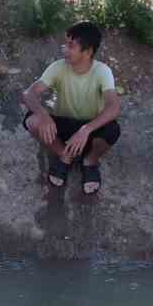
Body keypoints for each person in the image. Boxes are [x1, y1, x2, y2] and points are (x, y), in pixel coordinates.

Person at [20, 21, 122, 197]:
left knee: (113, 130)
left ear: (88, 51)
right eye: (65, 43)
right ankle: (65, 156)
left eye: (71, 45)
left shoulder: (102, 71)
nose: (64, 48)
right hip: (64, 127)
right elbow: (29, 94)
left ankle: (90, 162)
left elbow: (114, 107)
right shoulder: (58, 67)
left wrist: (86, 129)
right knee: (32, 120)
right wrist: (44, 116)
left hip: (90, 130)